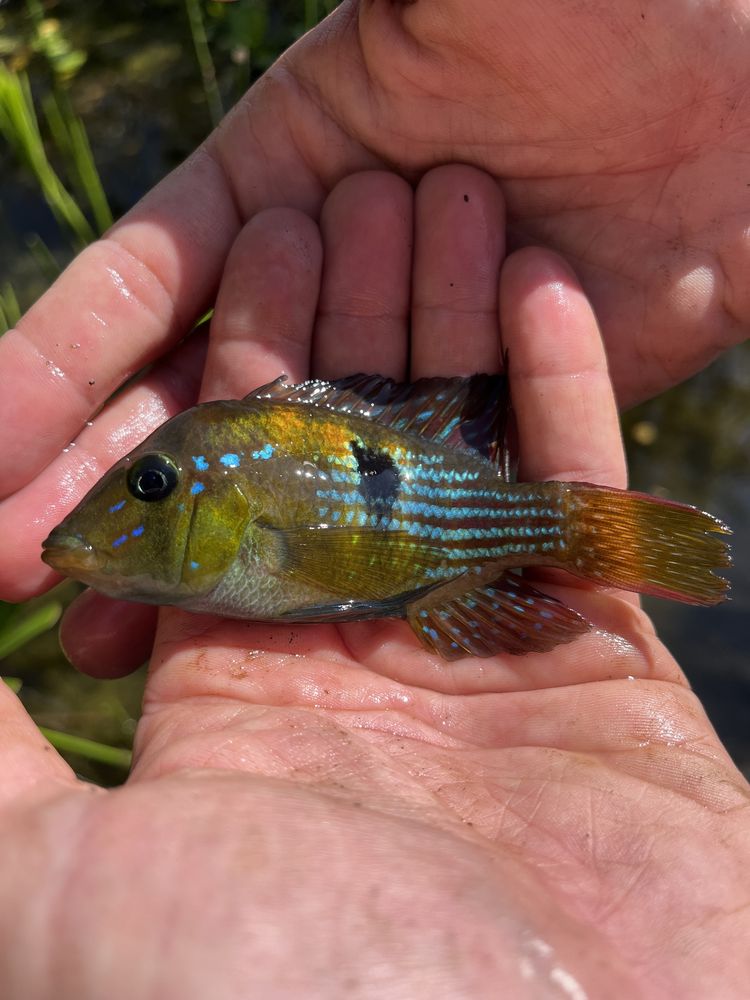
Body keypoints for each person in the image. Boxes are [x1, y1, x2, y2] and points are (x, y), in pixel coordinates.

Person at [0, 0, 748, 992]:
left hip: (462, 524)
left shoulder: (245, 497)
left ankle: (596, 540)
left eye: (153, 484)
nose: (121, 509)